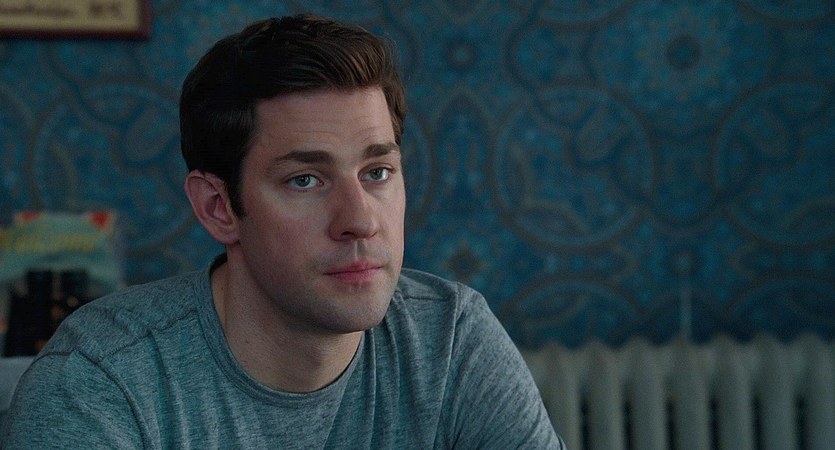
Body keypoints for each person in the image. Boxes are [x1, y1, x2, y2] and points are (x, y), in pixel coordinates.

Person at [2, 14, 564, 448]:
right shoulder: (101, 382)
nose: (361, 220)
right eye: (304, 180)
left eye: (377, 172)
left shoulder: (452, 341)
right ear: (219, 207)